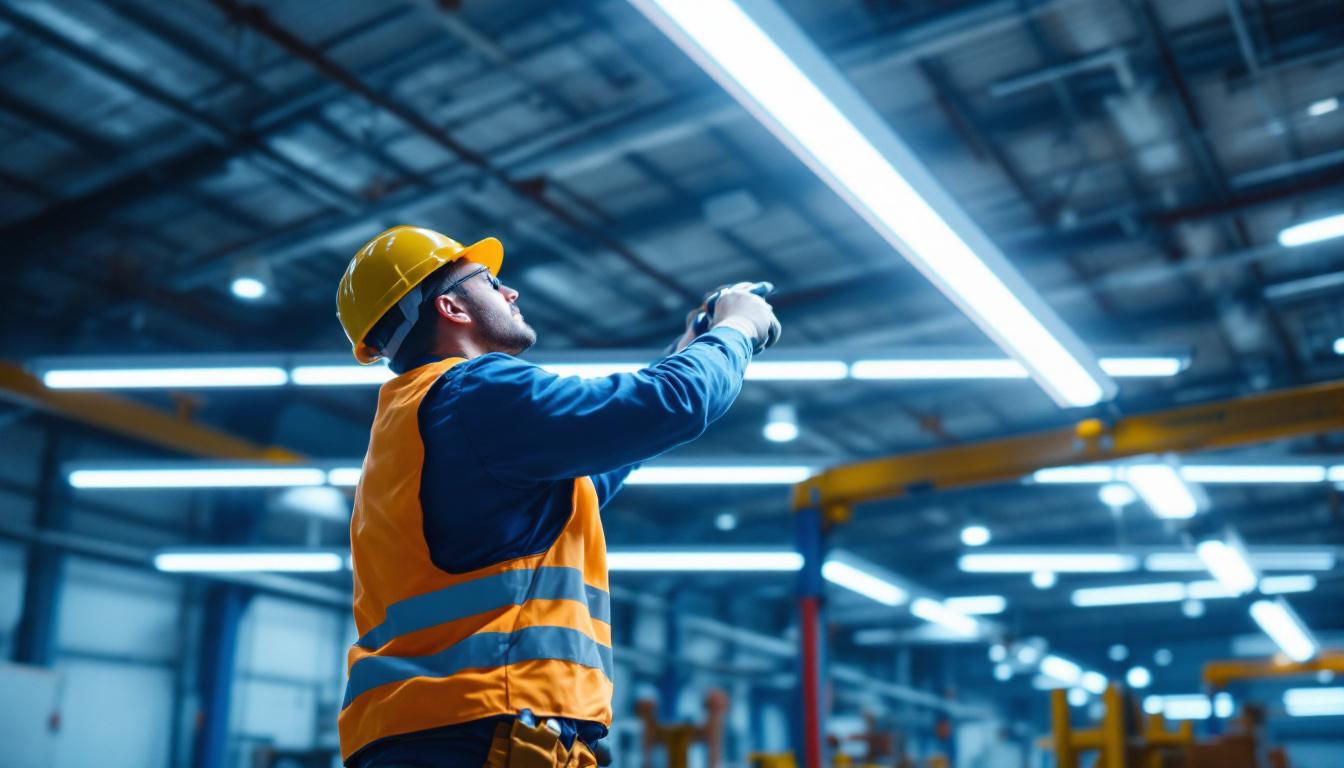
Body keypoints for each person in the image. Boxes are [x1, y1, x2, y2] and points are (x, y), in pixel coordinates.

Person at [333, 225, 781, 768]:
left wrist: (686, 347)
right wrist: (737, 330)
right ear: (451, 307)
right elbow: (672, 403)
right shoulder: (476, 390)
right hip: (483, 733)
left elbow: (597, 466)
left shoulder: (415, 423)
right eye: (489, 280)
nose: (510, 292)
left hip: (431, 735)